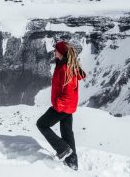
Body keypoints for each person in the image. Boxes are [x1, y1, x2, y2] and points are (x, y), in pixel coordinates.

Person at [36, 40, 86, 171]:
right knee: (67, 134)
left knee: (41, 124)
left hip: (63, 106)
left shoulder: (65, 68)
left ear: (62, 53)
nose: (54, 51)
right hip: (68, 107)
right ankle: (72, 163)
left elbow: (68, 92)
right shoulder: (63, 65)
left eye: (56, 50)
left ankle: (63, 149)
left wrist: (58, 105)